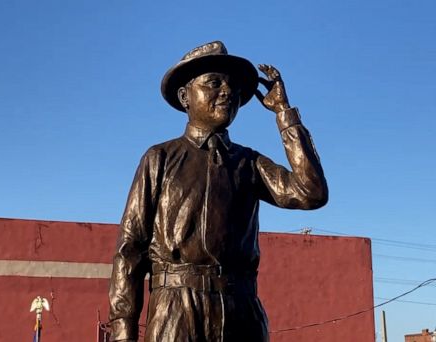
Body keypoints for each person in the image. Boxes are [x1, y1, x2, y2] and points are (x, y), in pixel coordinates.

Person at [108, 41, 328, 342]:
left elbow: (311, 192)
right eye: (213, 83)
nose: (227, 92)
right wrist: (123, 331)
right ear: (186, 96)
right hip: (177, 312)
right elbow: (130, 250)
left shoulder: (249, 163)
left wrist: (284, 114)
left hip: (241, 312)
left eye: (232, 86)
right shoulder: (159, 158)